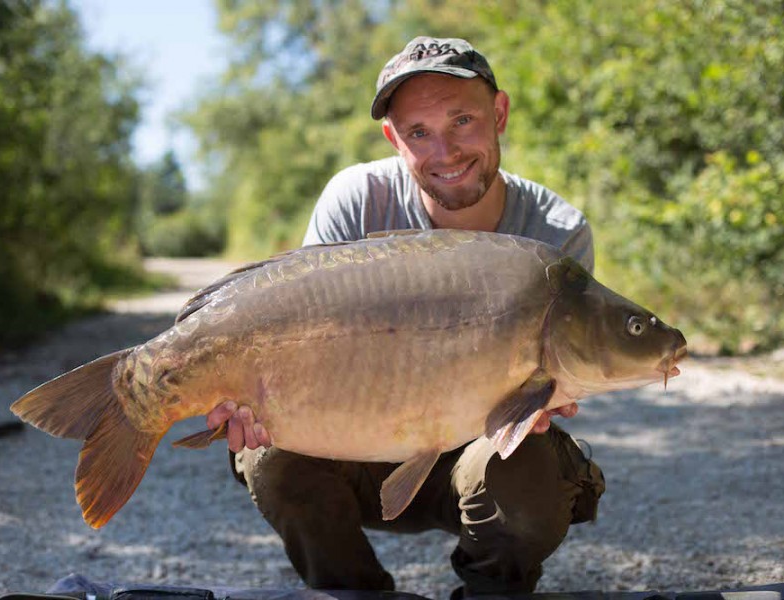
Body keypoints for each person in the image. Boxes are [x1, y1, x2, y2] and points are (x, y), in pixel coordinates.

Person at [206, 36, 606, 598]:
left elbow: (556, 381)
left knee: (531, 466)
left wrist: (540, 404)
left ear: (500, 113)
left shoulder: (555, 233)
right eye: (419, 132)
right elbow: (295, 335)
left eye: (462, 120)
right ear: (394, 139)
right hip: (357, 443)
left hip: (478, 452)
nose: (445, 151)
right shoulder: (355, 200)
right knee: (268, 450)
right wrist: (250, 396)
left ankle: (494, 590)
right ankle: (355, 592)